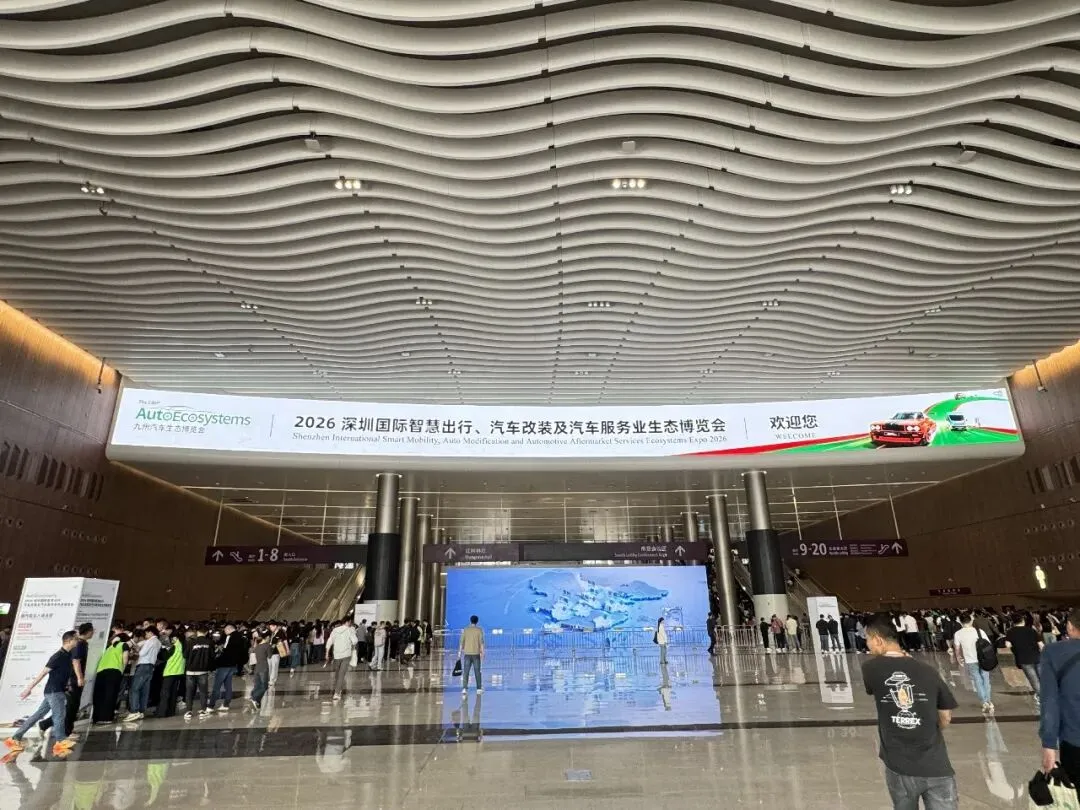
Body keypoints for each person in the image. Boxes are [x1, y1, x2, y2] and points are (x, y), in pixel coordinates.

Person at [862, 614, 958, 810]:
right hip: (937, 764)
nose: (867, 645)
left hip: (899, 765)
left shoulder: (870, 668)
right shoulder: (928, 670)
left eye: (868, 639)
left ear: (878, 640)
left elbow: (873, 687)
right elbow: (946, 716)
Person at [3, 630, 80, 759]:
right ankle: (60, 741)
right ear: (68, 641)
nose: (77, 641)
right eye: (75, 639)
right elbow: (43, 673)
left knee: (38, 715)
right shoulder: (57, 656)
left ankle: (14, 738)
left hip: (56, 691)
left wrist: (67, 685)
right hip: (54, 692)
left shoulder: (68, 655)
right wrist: (29, 688)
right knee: (59, 715)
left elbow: (63, 674)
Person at [1039, 607, 1080, 784]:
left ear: (1070, 626)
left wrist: (1049, 744)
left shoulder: (1054, 652)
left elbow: (1050, 701)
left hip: (1074, 740)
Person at [954, 613, 993, 714]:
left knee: (977, 680)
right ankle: (989, 701)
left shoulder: (958, 634)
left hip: (970, 660)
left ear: (960, 622)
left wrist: (958, 658)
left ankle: (984, 702)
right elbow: (989, 644)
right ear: (971, 620)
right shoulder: (979, 631)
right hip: (983, 659)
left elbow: (957, 649)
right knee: (986, 679)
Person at [92, 628, 130, 723]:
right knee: (110, 694)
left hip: (101, 671)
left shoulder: (108, 647)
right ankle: (106, 717)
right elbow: (125, 659)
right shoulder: (124, 645)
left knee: (99, 694)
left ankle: (96, 717)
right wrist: (122, 670)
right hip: (114, 671)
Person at [1004, 613, 1043, 702]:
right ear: (1023, 620)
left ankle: (1041, 697)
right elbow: (1041, 645)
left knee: (1034, 679)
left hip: (1024, 658)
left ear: (1013, 622)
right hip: (1037, 657)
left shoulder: (1010, 631)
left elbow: (1007, 645)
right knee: (1042, 677)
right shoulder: (1031, 630)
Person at [124, 626, 161, 722]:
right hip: (151, 666)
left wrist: (137, 650)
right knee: (145, 689)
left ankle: (134, 711)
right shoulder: (158, 642)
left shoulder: (150, 641)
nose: (145, 635)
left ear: (151, 632)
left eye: (147, 633)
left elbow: (142, 654)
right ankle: (141, 711)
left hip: (143, 666)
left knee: (135, 688)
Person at [183, 625, 213, 720]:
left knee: (189, 692)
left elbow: (185, 655)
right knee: (203, 692)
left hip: (190, 671)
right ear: (206, 632)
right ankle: (203, 710)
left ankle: (188, 711)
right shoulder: (209, 642)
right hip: (203, 671)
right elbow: (212, 656)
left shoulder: (190, 642)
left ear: (197, 632)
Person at [156, 624, 185, 718]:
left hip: (170, 670)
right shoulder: (181, 643)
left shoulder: (171, 643)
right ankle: (171, 711)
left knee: (165, 693)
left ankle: (162, 712)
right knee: (173, 693)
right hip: (179, 670)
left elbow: (164, 656)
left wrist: (162, 647)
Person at [326, 617, 356, 701]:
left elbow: (329, 641)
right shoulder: (350, 630)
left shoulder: (335, 630)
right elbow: (355, 641)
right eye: (350, 622)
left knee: (338, 673)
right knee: (341, 674)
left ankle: (338, 689)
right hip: (346, 655)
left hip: (336, 655)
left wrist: (327, 653)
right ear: (348, 622)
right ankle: (337, 693)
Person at [459, 615, 485, 693]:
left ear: (470, 621)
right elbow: (481, 643)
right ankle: (479, 689)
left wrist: (459, 652)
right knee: (477, 671)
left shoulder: (466, 630)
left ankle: (464, 688)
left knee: (466, 671)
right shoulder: (479, 630)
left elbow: (461, 642)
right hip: (476, 654)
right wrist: (482, 652)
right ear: (477, 621)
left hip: (467, 653)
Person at [248, 629, 271, 711]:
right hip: (264, 668)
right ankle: (254, 698)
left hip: (257, 668)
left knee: (257, 685)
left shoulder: (256, 646)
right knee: (264, 686)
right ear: (267, 637)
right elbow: (269, 656)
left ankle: (256, 700)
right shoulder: (267, 645)